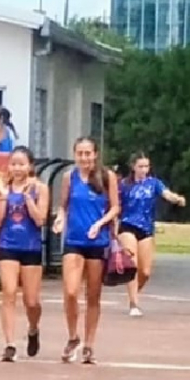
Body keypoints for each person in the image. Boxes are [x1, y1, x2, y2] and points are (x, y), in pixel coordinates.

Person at [53, 136, 120, 365]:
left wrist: (100, 224)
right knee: (71, 291)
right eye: (80, 154)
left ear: (95, 154)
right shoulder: (69, 177)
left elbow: (115, 207)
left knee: (93, 295)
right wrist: (60, 218)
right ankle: (73, 337)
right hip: (74, 240)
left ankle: (89, 344)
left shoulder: (106, 176)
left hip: (97, 242)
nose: (84, 158)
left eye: (88, 153)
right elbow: (63, 206)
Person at [0, 147, 49, 362]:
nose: (17, 168)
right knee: (9, 292)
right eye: (13, 164)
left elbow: (40, 220)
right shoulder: (3, 187)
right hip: (8, 245)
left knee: (31, 301)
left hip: (31, 247)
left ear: (30, 166)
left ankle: (33, 328)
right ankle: (10, 344)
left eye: (21, 164)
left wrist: (28, 198)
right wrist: (2, 197)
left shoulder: (40, 188)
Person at [117, 152, 187, 317]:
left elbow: (166, 193)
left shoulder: (153, 183)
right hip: (127, 226)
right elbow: (115, 205)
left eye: (146, 166)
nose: (143, 170)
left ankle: (134, 293)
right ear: (133, 167)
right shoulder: (124, 185)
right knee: (132, 265)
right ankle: (134, 303)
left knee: (145, 272)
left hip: (146, 228)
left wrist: (176, 198)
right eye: (140, 166)